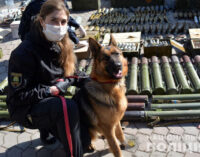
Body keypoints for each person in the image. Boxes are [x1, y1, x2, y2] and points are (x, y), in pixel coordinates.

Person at [6, 0, 91, 156]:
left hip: (50, 101)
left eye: (63, 21)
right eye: (53, 20)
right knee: (67, 107)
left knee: (85, 141)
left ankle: (49, 129)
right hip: (26, 109)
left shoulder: (62, 44)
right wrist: (50, 90)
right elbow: (18, 97)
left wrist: (94, 82)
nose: (59, 26)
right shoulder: (23, 53)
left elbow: (75, 73)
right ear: (42, 21)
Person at [18, 0, 86, 48]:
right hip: (29, 35)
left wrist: (78, 26)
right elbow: (59, 24)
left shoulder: (56, 2)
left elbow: (62, 16)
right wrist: (76, 41)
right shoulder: (41, 5)